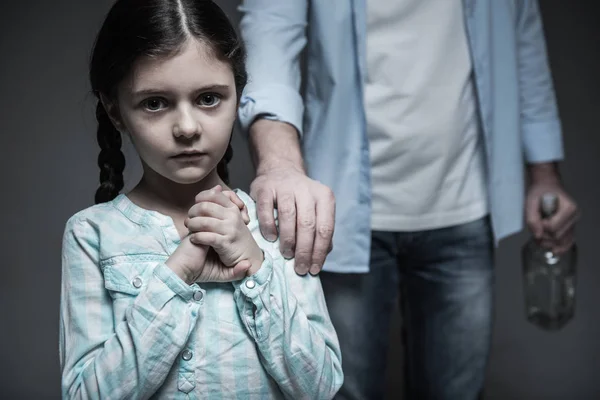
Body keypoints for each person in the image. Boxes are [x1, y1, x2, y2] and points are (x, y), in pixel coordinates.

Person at [237, 0, 579, 399]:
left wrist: (544, 174)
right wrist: (280, 164)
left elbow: (524, 37)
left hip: (464, 204)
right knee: (338, 392)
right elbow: (270, 31)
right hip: (340, 213)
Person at [58, 1, 343, 398]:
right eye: (155, 103)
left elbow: (321, 387)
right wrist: (176, 275)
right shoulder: (91, 234)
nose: (187, 128)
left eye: (209, 98)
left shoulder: (274, 222)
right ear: (115, 110)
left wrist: (256, 269)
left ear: (238, 96)